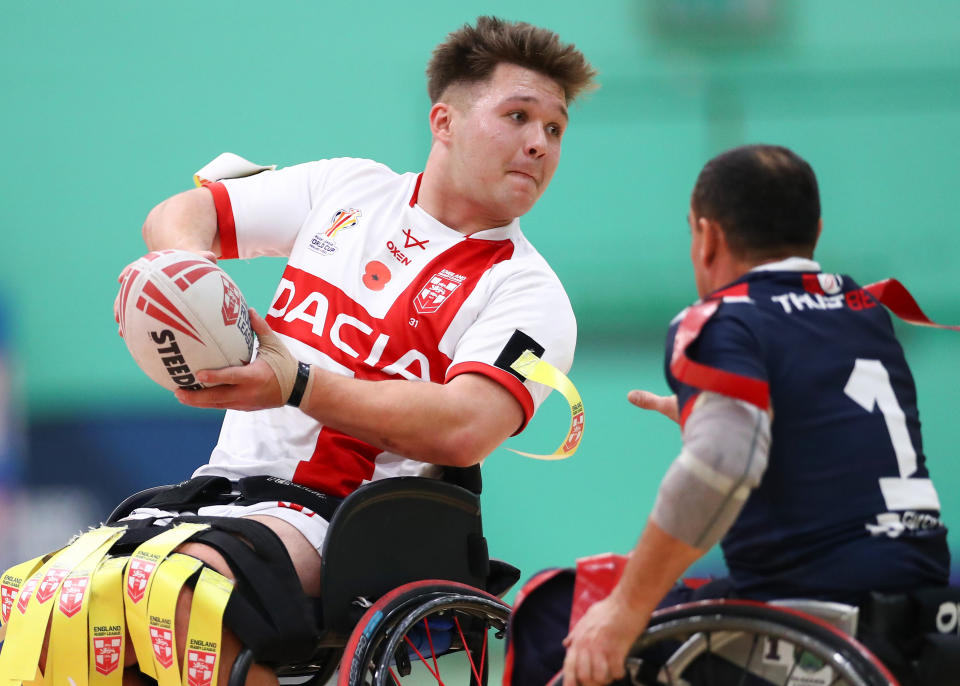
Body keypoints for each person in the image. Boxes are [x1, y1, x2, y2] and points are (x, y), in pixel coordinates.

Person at [0, 17, 596, 686]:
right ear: (444, 122)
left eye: (555, 129)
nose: (539, 144)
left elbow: (465, 427)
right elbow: (180, 214)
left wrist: (298, 383)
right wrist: (182, 278)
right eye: (518, 116)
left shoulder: (529, 292)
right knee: (44, 603)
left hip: (344, 523)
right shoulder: (348, 188)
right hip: (218, 498)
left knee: (179, 599)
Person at [509, 144, 951, 686]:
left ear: (707, 235)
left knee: (553, 611)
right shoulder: (864, 308)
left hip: (810, 619)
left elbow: (724, 462)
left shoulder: (722, 319)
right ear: (814, 229)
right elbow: (832, 434)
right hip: (923, 613)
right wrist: (713, 415)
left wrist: (623, 612)